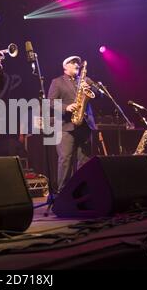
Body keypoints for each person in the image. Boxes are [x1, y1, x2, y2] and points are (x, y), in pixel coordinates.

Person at [48, 56, 98, 195]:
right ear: (65, 67)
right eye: (73, 63)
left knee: (85, 160)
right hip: (66, 126)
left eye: (78, 63)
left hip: (84, 126)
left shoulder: (85, 80)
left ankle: (82, 191)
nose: (77, 64)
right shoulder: (57, 82)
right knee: (65, 160)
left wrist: (91, 88)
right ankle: (62, 193)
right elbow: (50, 103)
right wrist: (66, 107)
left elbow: (99, 94)